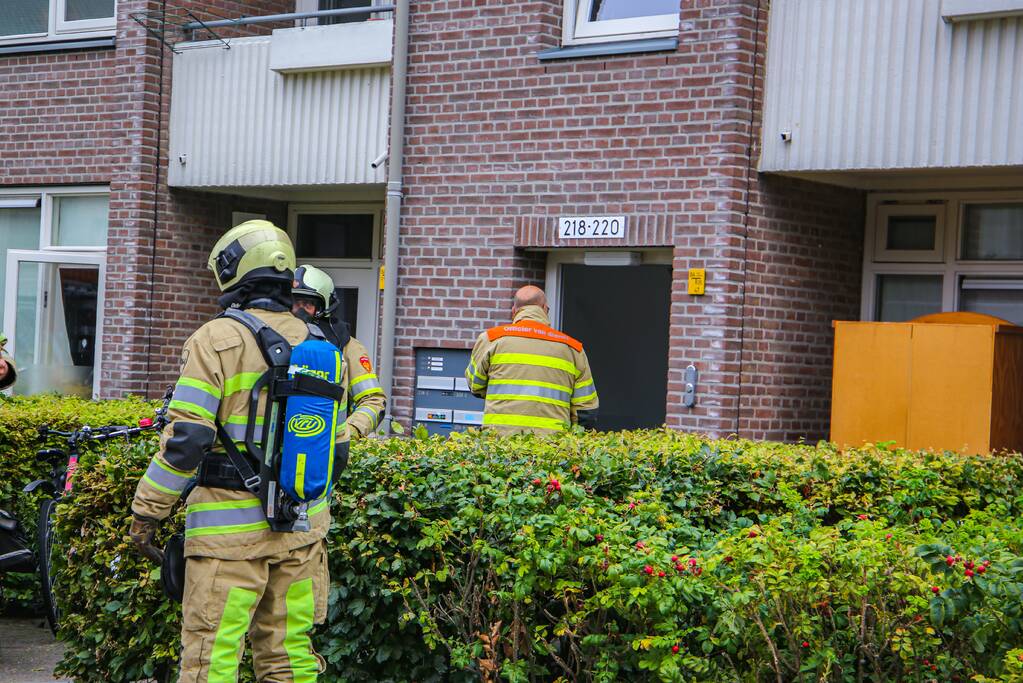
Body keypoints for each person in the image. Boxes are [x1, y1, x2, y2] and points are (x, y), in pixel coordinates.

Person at [129, 220, 346, 682]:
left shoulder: (216, 339)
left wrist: (146, 512)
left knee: (213, 660)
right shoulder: (323, 346)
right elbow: (337, 448)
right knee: (290, 660)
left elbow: (186, 442)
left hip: (228, 539)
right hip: (302, 533)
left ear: (232, 272)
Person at [465, 285, 598, 435]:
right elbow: (586, 410)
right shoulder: (573, 349)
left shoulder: (491, 339)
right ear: (545, 309)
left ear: (514, 311)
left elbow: (475, 386)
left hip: (499, 446)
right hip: (552, 448)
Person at [291, 265, 386, 437]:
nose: (298, 311)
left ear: (324, 307)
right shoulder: (273, 337)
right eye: (294, 303)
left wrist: (348, 432)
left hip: (326, 447)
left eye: (307, 304)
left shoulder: (346, 346)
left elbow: (373, 401)